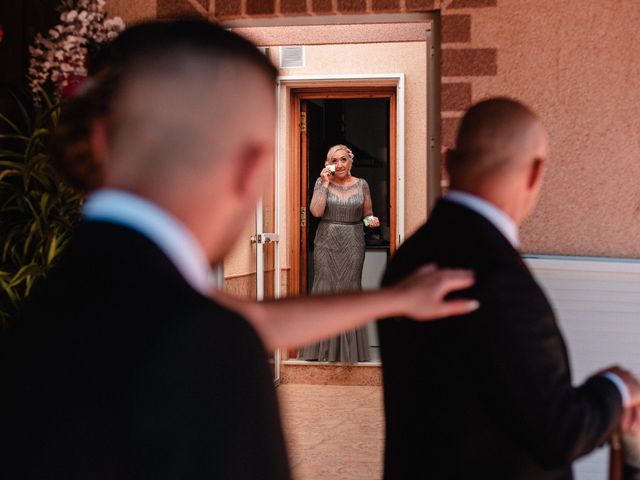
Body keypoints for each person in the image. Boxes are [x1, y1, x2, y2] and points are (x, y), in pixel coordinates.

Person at [0, 20, 479, 479]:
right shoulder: (212, 355)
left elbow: (247, 320)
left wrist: (395, 298)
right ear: (253, 169)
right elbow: (225, 329)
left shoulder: (61, 301)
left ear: (101, 139)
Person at [378, 97, 640, 479]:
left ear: (449, 162)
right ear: (536, 172)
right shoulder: (498, 276)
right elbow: (557, 433)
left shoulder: (409, 257)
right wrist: (617, 387)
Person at [297, 145, 379, 362]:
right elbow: (315, 212)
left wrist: (370, 221)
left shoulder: (362, 185)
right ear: (328, 164)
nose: (340, 164)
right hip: (326, 241)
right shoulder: (322, 183)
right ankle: (320, 350)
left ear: (350, 161)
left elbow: (367, 214)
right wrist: (324, 183)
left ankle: (349, 351)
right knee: (325, 289)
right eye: (335, 160)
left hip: (353, 241)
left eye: (343, 159)